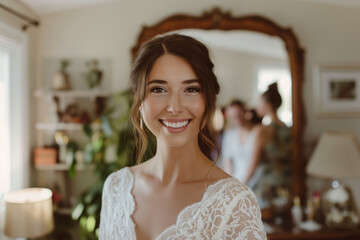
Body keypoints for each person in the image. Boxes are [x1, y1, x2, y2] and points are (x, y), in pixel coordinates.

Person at [99, 34, 266, 240]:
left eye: (191, 89)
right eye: (159, 89)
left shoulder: (235, 203)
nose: (175, 107)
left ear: (208, 101)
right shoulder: (116, 187)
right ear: (139, 101)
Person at [247, 82, 292, 209]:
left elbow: (252, 166)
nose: (256, 106)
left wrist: (240, 185)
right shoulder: (290, 130)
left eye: (259, 102)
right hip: (287, 185)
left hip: (267, 188)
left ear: (267, 105)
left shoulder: (262, 131)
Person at [221, 100, 266, 184]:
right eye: (232, 115)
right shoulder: (229, 135)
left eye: (238, 113)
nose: (236, 117)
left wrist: (244, 184)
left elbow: (254, 163)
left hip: (256, 181)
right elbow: (227, 163)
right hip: (237, 181)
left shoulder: (256, 132)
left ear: (245, 112)